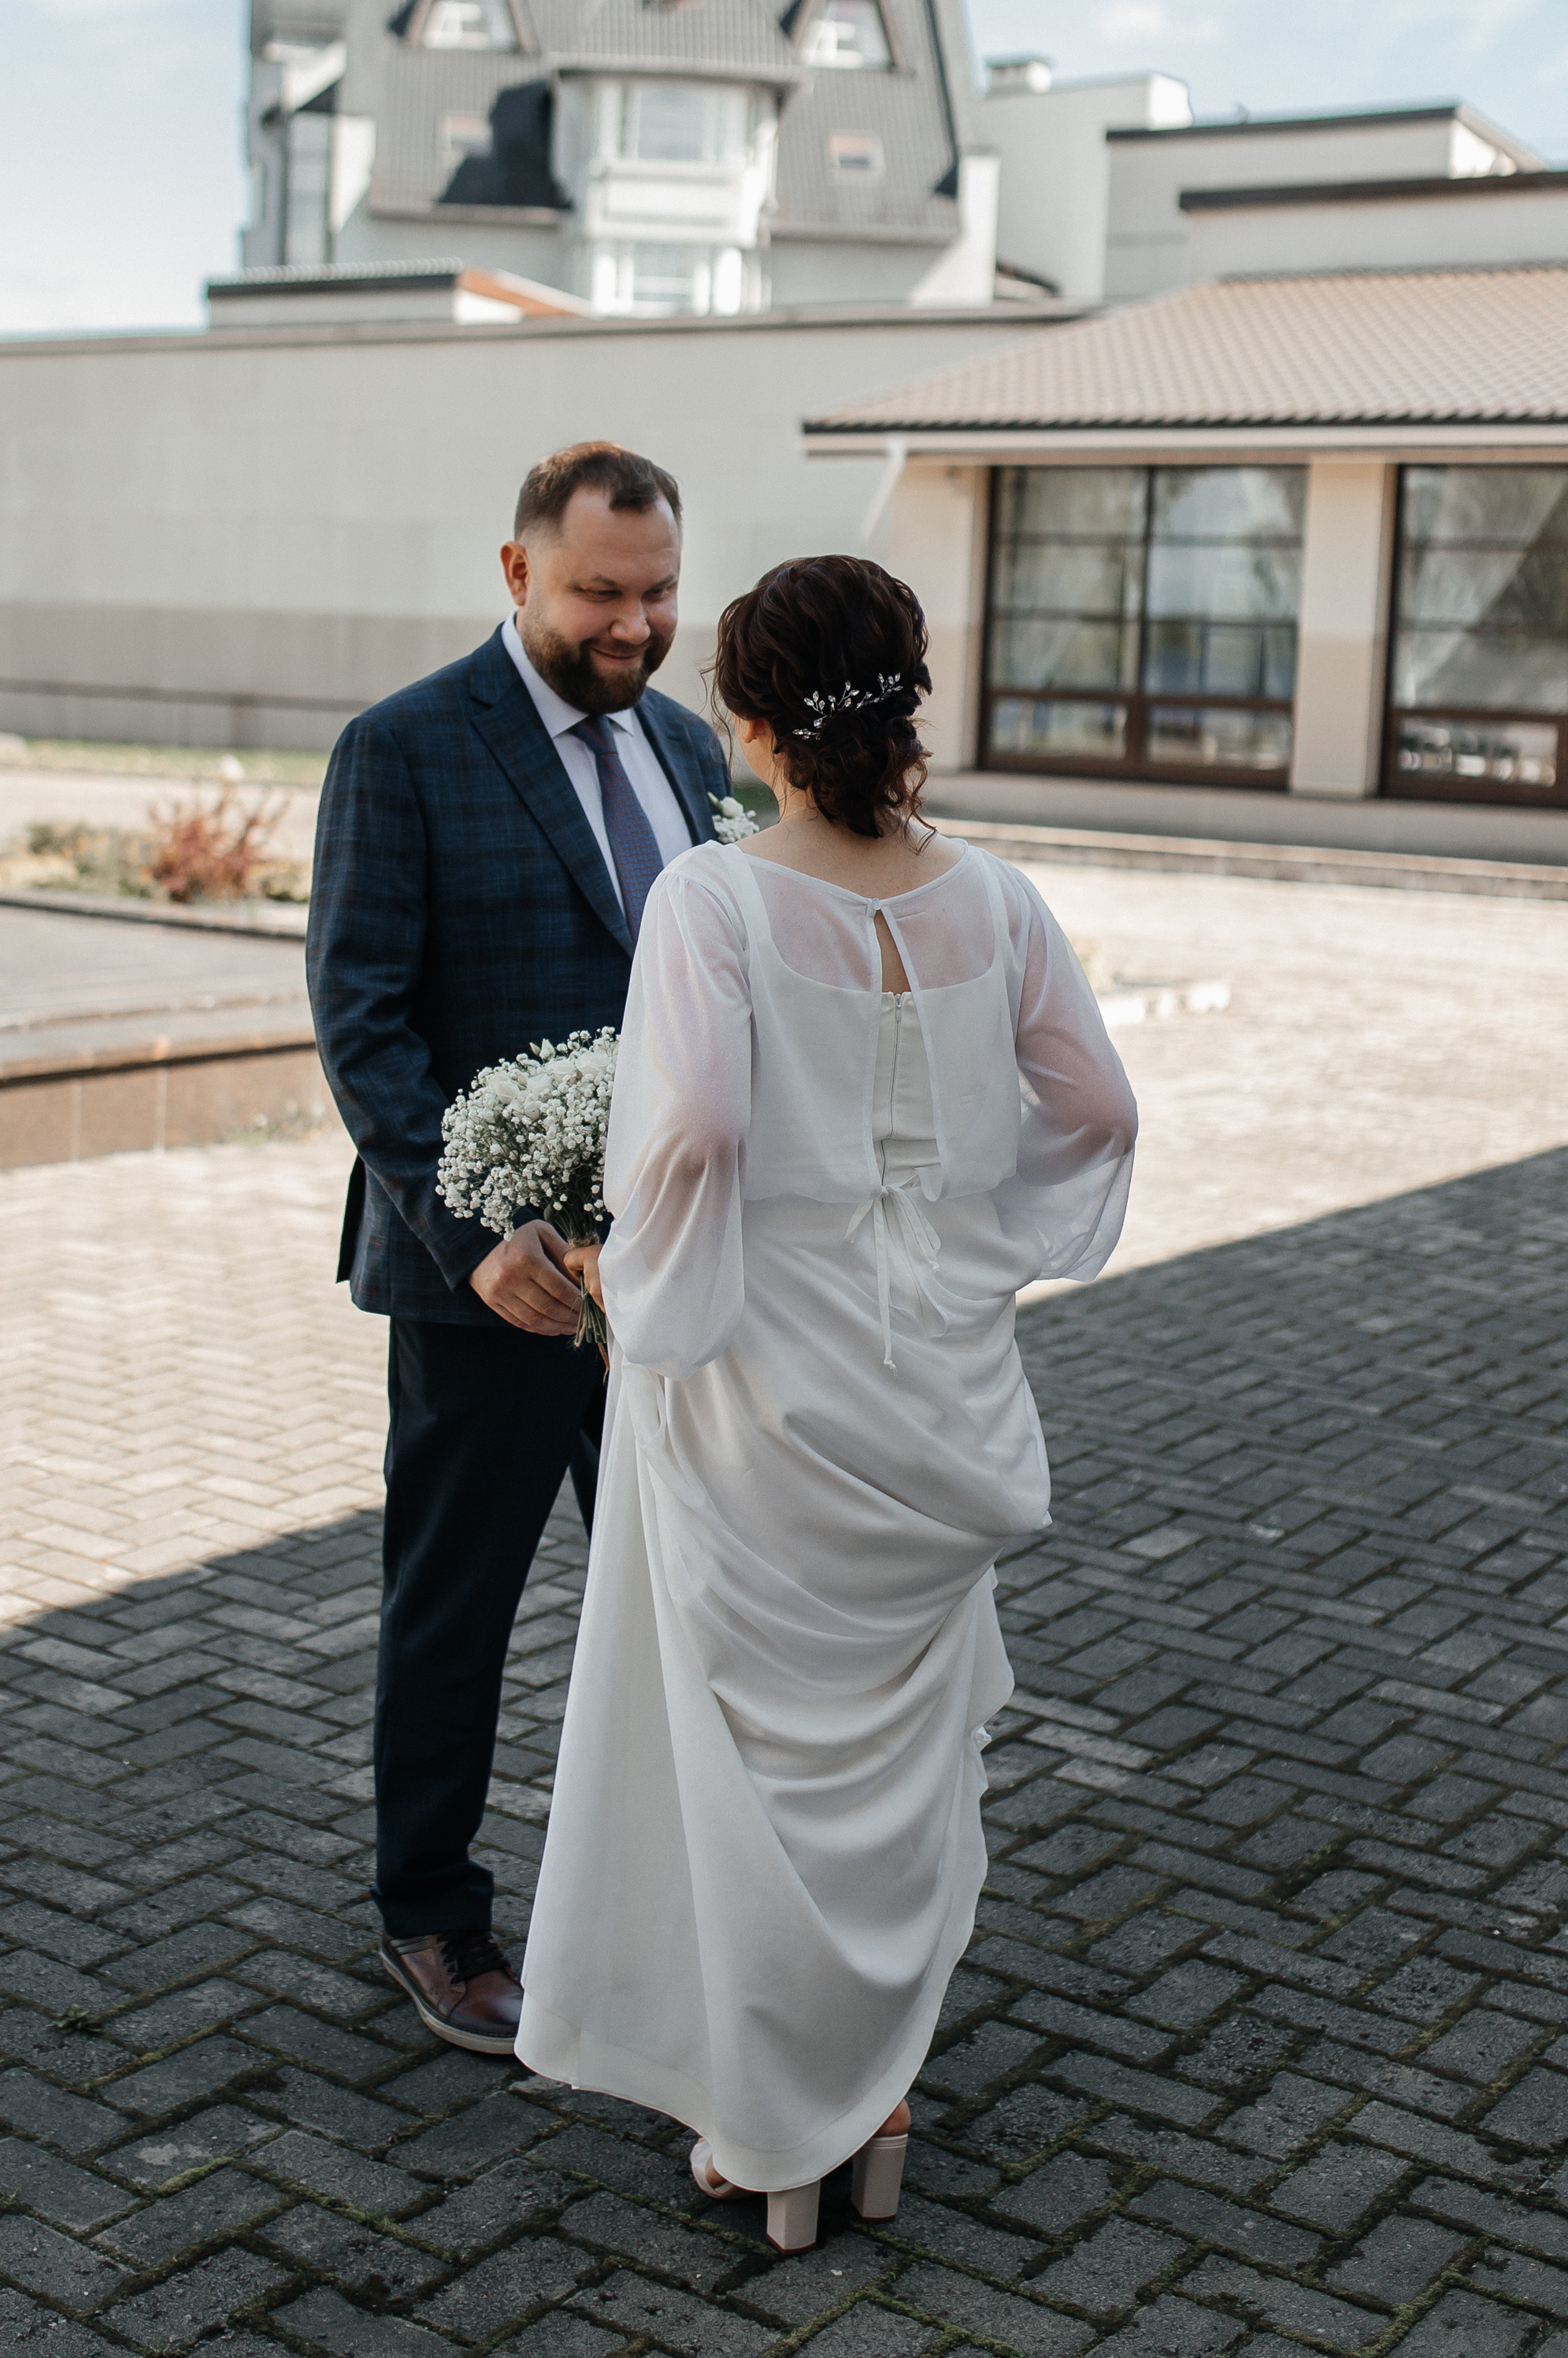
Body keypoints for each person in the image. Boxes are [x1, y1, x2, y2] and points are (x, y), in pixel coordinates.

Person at [516, 554, 1138, 2250]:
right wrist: (966, 1235)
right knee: (901, 1762)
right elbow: (1096, 1104)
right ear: (907, 700)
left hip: (759, 1389)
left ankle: (771, 2129)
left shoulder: (713, 903)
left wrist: (627, 1268)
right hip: (932, 1386)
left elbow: (700, 1127)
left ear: (752, 719)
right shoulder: (998, 901)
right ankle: (874, 2099)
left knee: (758, 1770)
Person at [306, 441, 729, 2057]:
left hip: (672, 1282)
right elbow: (362, 1021)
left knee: (690, 1593)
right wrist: (480, 1230)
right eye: (600, 593)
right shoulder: (404, 747)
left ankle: (683, 1898)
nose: (633, 625)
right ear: (515, 575)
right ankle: (431, 1912)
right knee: (457, 1607)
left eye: (659, 592)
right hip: (487, 1283)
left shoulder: (699, 752)